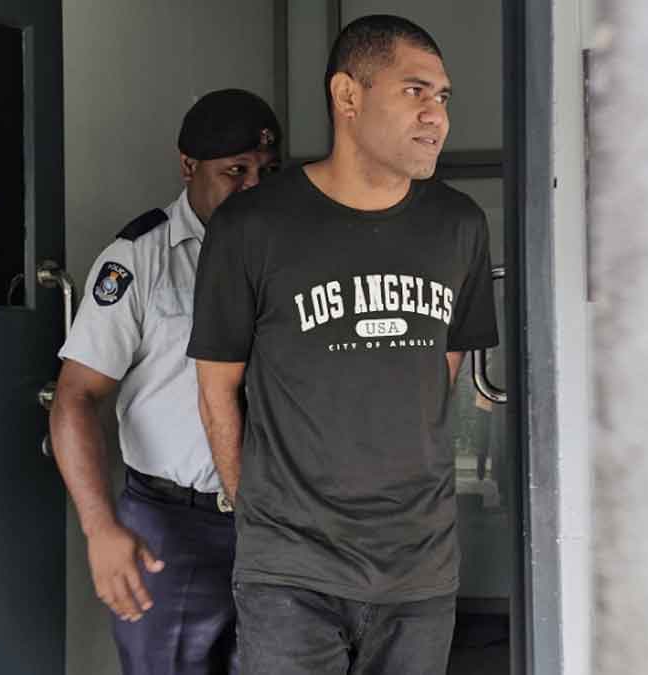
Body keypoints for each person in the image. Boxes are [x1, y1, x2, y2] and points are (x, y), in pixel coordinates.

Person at [186, 15, 498, 675]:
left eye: (443, 97)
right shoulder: (251, 226)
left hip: (419, 569)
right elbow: (217, 390)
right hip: (290, 574)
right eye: (414, 91)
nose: (437, 115)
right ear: (347, 95)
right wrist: (260, 522)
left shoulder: (459, 226)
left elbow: (437, 373)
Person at [50, 88, 281, 675]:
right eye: (236, 171)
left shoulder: (291, 255)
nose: (254, 186)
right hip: (174, 524)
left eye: (267, 171)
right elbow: (75, 397)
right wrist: (100, 529)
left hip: (275, 520)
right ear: (188, 167)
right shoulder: (140, 258)